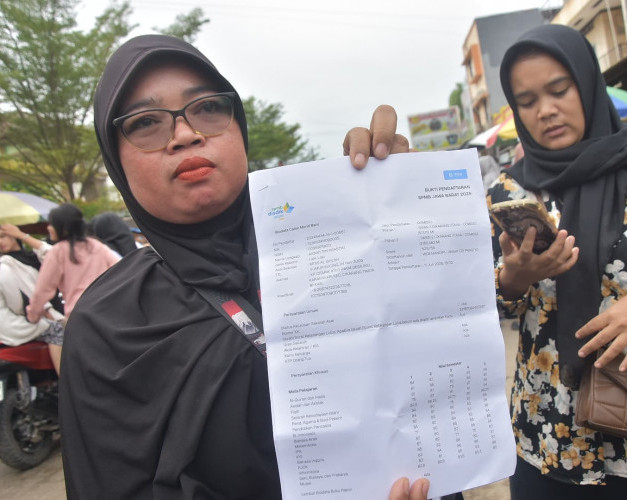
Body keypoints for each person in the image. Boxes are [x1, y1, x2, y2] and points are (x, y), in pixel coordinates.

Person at [58, 34, 428, 500]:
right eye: (146, 122)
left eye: (208, 108)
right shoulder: (106, 327)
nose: (185, 135)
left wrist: (394, 211)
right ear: (116, 160)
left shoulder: (334, 246)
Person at [487, 25, 627, 499]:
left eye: (559, 90)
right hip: (550, 439)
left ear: (586, 83)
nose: (545, 110)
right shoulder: (509, 191)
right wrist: (513, 280)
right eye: (526, 101)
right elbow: (476, 301)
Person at [23, 203, 120, 326]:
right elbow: (121, 269)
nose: (49, 228)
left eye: (52, 224)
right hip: (107, 310)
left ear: (64, 228)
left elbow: (43, 290)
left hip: (80, 317)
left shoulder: (57, 252)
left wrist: (33, 315)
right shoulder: (97, 245)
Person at [0, 226, 64, 373]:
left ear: (14, 235)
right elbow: (22, 300)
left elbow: (56, 255)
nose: (0, 242)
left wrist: (23, 236)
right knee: (56, 330)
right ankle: (64, 377)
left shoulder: (30, 257)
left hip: (32, 314)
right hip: (15, 321)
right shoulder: (6, 265)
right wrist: (48, 314)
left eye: (3, 236)